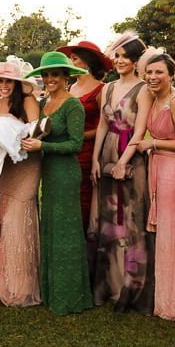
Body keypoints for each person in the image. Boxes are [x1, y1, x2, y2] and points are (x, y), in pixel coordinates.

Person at [22, 52, 92, 315]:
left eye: (55, 74)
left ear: (66, 77)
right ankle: (51, 292)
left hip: (65, 174)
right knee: (51, 228)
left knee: (66, 234)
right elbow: (38, 131)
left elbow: (75, 144)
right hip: (48, 173)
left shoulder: (73, 105)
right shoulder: (45, 102)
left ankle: (70, 296)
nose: (50, 79)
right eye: (46, 75)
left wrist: (43, 146)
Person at [126, 52, 175, 322]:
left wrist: (153, 144)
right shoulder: (154, 98)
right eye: (149, 73)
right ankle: (165, 299)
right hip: (159, 169)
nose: (152, 77)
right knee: (165, 233)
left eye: (159, 73)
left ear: (171, 76)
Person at [90, 33, 153, 313]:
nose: (120, 61)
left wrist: (122, 162)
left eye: (126, 57)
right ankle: (110, 286)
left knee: (131, 221)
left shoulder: (143, 89)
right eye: (117, 56)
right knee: (109, 221)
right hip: (107, 155)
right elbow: (103, 126)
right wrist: (96, 159)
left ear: (137, 61)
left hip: (132, 157)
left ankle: (132, 289)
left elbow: (140, 131)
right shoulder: (107, 88)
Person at [0, 56, 42, 307]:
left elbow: (36, 133)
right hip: (6, 168)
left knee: (18, 220)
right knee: (5, 217)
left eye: (8, 80)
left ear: (17, 82)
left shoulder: (28, 101)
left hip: (27, 165)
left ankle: (24, 287)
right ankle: (9, 282)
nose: (3, 84)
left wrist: (16, 142)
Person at [58, 41, 110, 242]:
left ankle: (86, 247)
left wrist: (78, 136)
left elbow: (104, 126)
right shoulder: (71, 87)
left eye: (75, 59)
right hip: (67, 151)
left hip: (87, 152)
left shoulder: (101, 89)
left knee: (84, 201)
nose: (71, 62)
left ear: (86, 62)